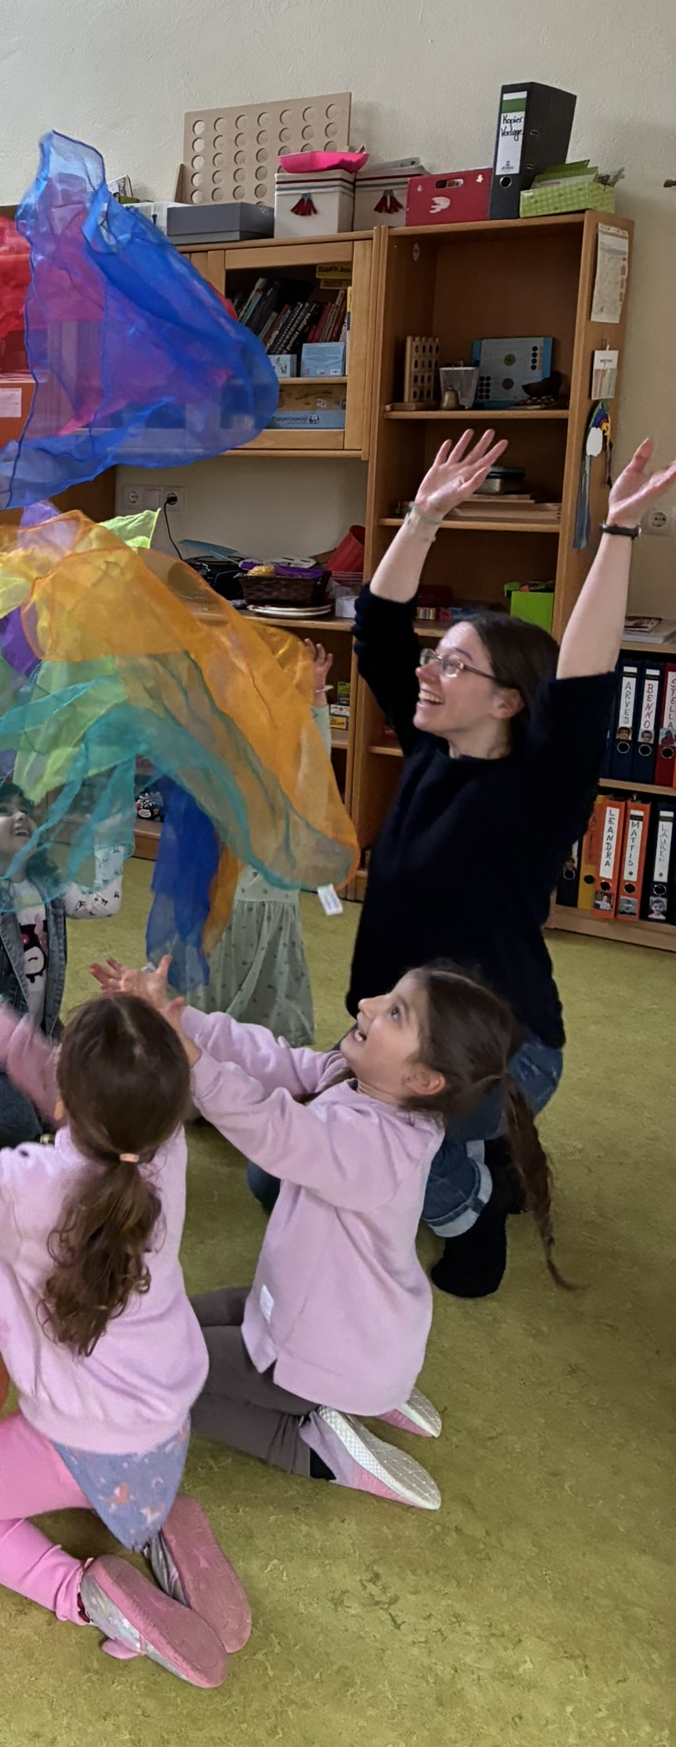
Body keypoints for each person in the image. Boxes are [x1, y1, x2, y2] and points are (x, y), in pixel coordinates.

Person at [345, 430, 676, 1297]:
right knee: (287, 1176)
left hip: (510, 1049)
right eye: (434, 656)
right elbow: (376, 628)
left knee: (398, 1142)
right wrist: (421, 517)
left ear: (507, 701)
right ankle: (493, 1142)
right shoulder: (425, 753)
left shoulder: (539, 791)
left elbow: (588, 679)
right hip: (409, 1030)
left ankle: (480, 1211)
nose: (428, 672)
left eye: (454, 664)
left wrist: (616, 535)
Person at [96, 955, 568, 1511]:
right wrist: (176, 1018)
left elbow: (274, 1129)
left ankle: (314, 1448)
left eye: (394, 1013)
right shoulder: (371, 1086)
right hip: (337, 1324)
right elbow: (267, 1056)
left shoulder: (374, 1146)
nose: (366, 1006)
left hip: (321, 1346)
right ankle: (369, 1393)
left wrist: (189, 1055)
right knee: (160, 1326)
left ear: (424, 1078)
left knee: (155, 1379)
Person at [0, 978, 250, 1690]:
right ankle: (155, 1520)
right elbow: (77, 1089)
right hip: (167, 1424)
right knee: (126, 1483)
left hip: (83, 1441)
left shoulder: (26, 1188)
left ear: (67, 1101)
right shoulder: (161, 1150)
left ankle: (90, 1594)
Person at [0, 774, 124, 1146]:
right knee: (20, 1127)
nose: (20, 816)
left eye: (26, 810)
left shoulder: (45, 888)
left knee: (77, 1111)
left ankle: (16, 1093)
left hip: (36, 1036)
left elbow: (105, 903)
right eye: (3, 811)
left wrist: (109, 838)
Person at [184, 641, 333, 1046]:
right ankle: (209, 1040)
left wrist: (317, 693)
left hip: (266, 898)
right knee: (215, 981)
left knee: (265, 989)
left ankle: (257, 1046)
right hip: (221, 898)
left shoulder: (288, 767)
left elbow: (315, 758)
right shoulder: (219, 753)